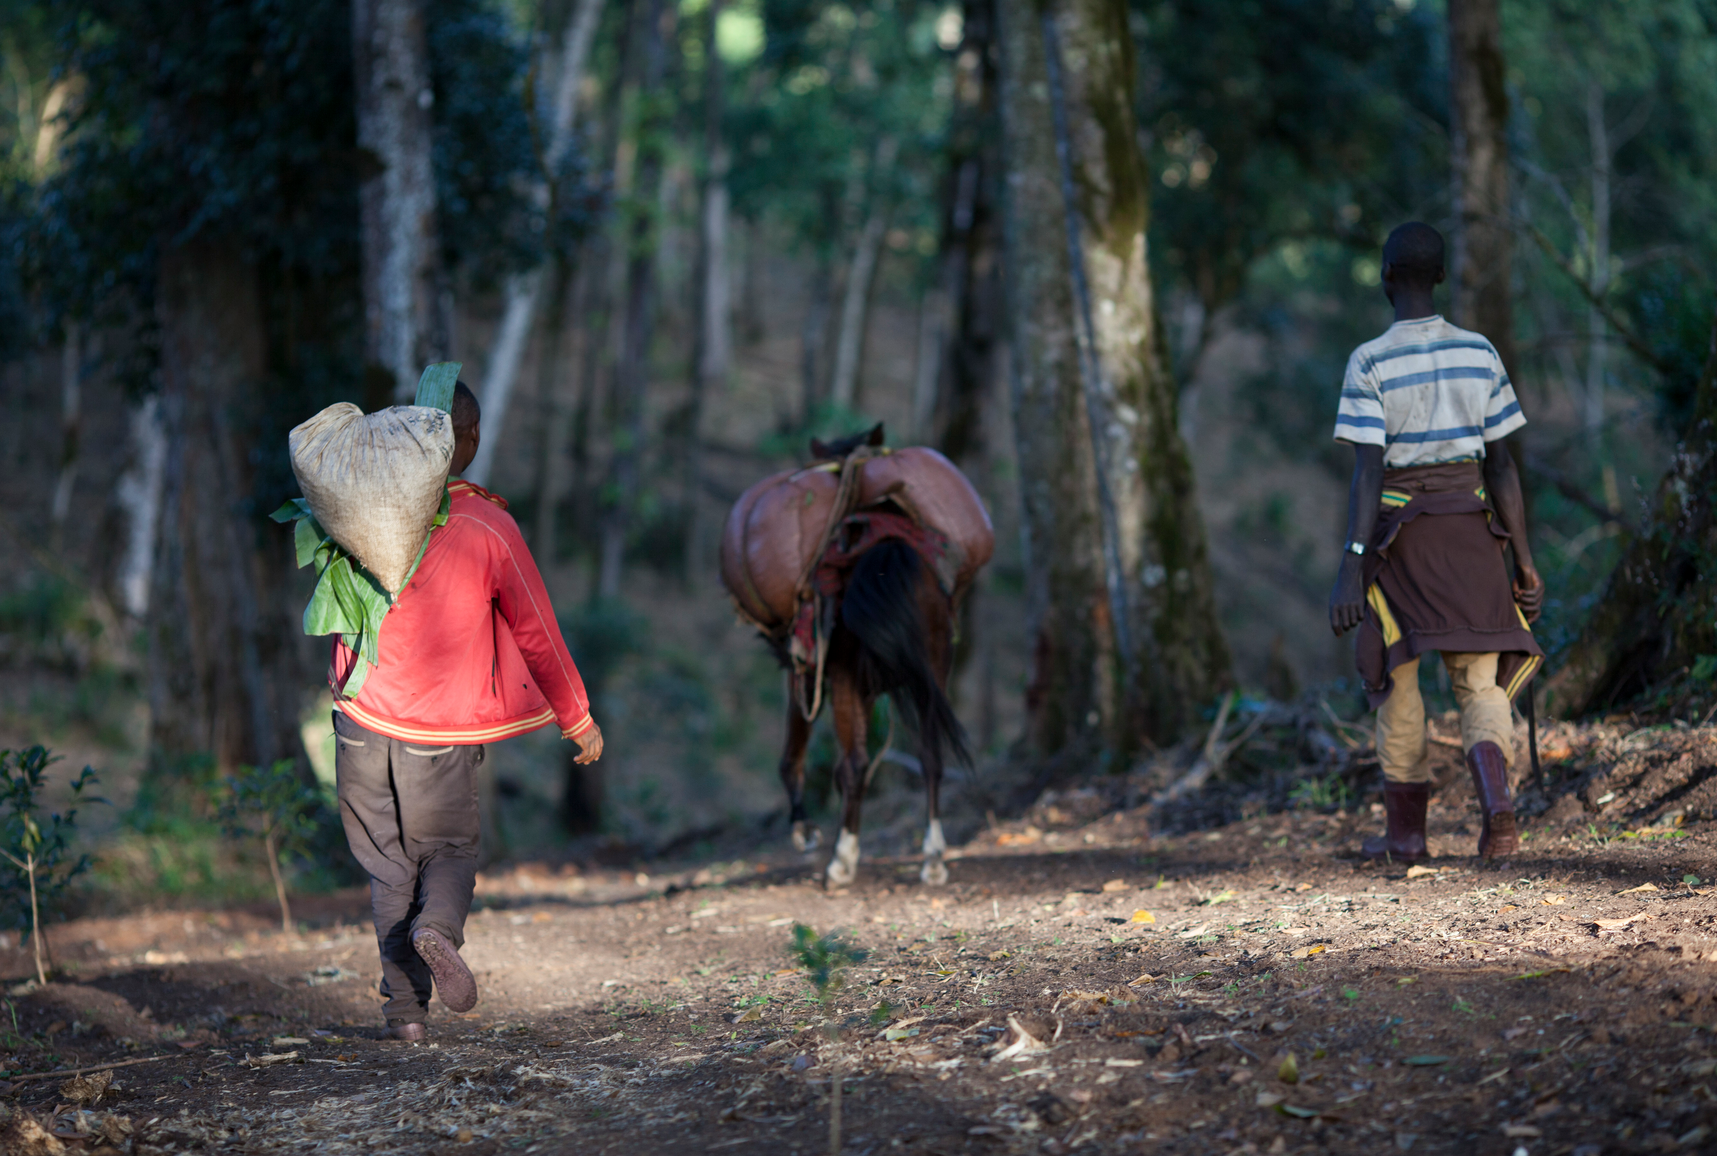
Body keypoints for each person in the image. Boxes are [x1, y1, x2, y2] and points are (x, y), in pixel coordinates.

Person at [330, 383, 602, 1040]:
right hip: (436, 737)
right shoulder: (487, 526)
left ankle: (405, 1018)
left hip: (359, 723)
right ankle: (436, 929)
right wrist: (577, 717)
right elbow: (536, 630)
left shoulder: (358, 509)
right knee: (447, 852)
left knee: (389, 868)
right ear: (469, 442)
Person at [1328, 223, 1543, 864]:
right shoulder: (1481, 353)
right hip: (1474, 536)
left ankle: (1406, 836)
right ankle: (1498, 817)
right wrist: (1525, 562)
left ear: (1386, 275)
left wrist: (1351, 566)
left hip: (1401, 542)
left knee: (1398, 680)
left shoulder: (1369, 361)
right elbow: (1502, 467)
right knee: (1480, 685)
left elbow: (1370, 474)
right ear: (1441, 277)